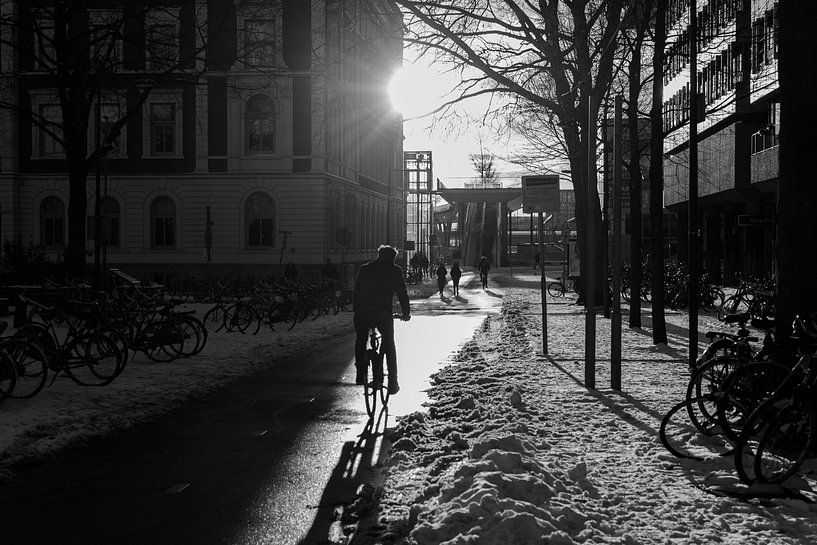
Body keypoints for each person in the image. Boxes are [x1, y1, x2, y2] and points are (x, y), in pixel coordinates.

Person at [353, 245, 411, 395]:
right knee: (389, 344)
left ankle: (360, 373)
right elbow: (402, 294)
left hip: (363, 311)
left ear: (378, 255)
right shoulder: (395, 271)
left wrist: (357, 311)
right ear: (393, 258)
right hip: (383, 313)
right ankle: (392, 382)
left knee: (361, 339)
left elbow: (357, 291)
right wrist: (406, 313)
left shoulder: (365, 269)